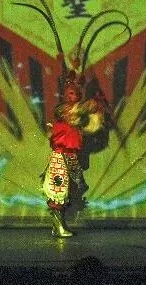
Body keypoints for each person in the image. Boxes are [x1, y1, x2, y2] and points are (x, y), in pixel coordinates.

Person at [42, 68, 107, 237]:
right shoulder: (62, 109)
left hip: (71, 156)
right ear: (65, 94)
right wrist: (91, 104)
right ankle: (58, 227)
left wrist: (97, 112)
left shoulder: (78, 114)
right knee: (59, 190)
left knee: (74, 188)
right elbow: (77, 112)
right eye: (71, 93)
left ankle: (58, 225)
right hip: (60, 156)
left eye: (78, 93)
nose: (75, 95)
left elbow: (90, 126)